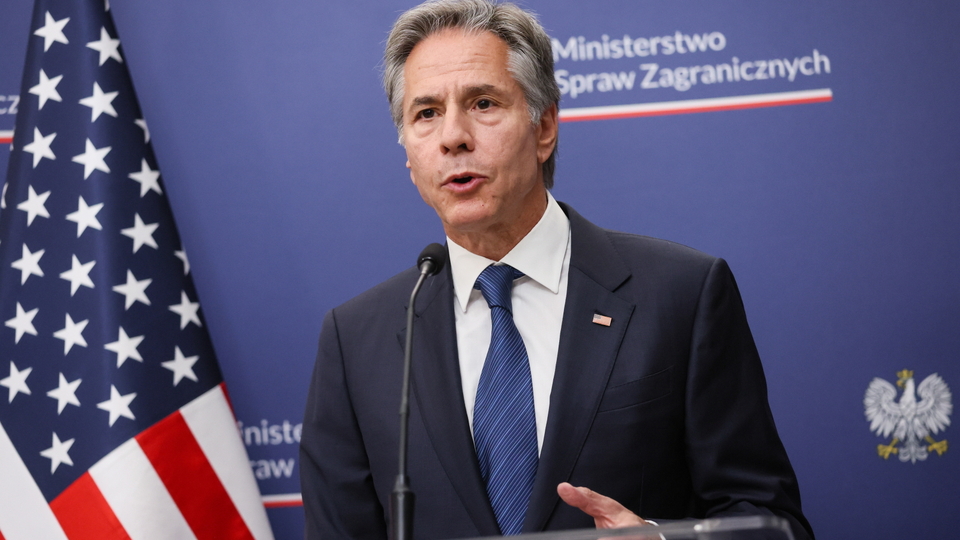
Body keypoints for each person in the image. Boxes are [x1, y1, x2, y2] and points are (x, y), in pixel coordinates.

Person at [300, 1, 814, 539]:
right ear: (409, 153)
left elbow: (771, 522)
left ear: (544, 127)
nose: (453, 136)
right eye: (426, 113)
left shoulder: (681, 295)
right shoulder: (355, 340)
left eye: (482, 103)